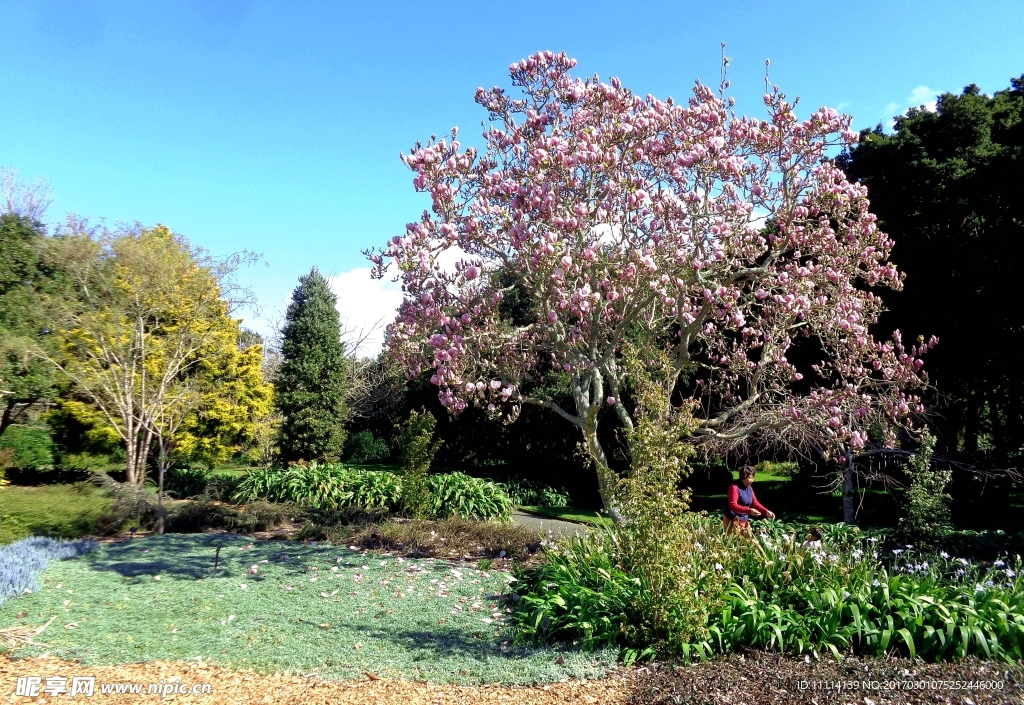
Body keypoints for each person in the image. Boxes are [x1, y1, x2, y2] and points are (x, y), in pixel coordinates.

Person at [723, 465, 775, 536]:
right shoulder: (734, 487)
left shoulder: (749, 488)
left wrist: (766, 512)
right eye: (749, 478)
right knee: (736, 544)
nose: (752, 480)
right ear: (743, 477)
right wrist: (750, 511)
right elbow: (733, 506)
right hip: (732, 519)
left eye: (753, 477)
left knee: (750, 541)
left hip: (744, 519)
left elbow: (754, 502)